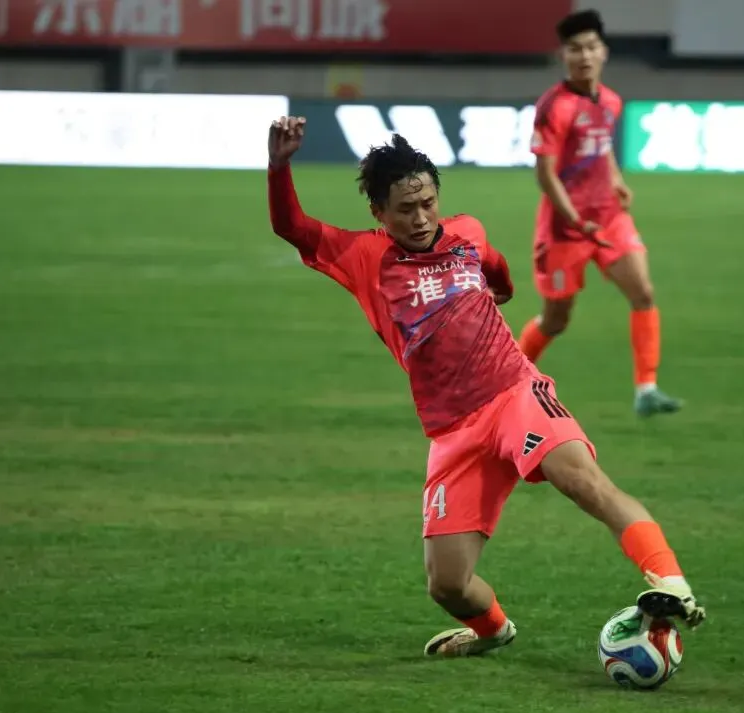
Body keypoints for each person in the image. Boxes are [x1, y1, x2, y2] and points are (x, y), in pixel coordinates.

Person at [266, 115, 706, 659]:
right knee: (448, 584)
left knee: (581, 480)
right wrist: (279, 166)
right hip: (452, 429)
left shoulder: (466, 232)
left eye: (427, 203)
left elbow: (496, 269)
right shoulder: (363, 257)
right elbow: (292, 227)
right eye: (405, 209)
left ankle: (671, 584)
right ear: (378, 212)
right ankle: (493, 630)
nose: (420, 217)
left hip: (514, 392)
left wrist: (497, 290)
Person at [516, 10, 681, 417]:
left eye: (591, 47)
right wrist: (575, 219)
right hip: (564, 230)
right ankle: (506, 381)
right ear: (563, 56)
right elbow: (545, 174)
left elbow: (601, 146)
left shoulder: (610, 101)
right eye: (575, 49)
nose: (584, 56)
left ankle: (646, 389)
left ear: (604, 52)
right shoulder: (553, 107)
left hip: (608, 219)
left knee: (643, 292)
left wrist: (616, 180)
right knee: (556, 320)